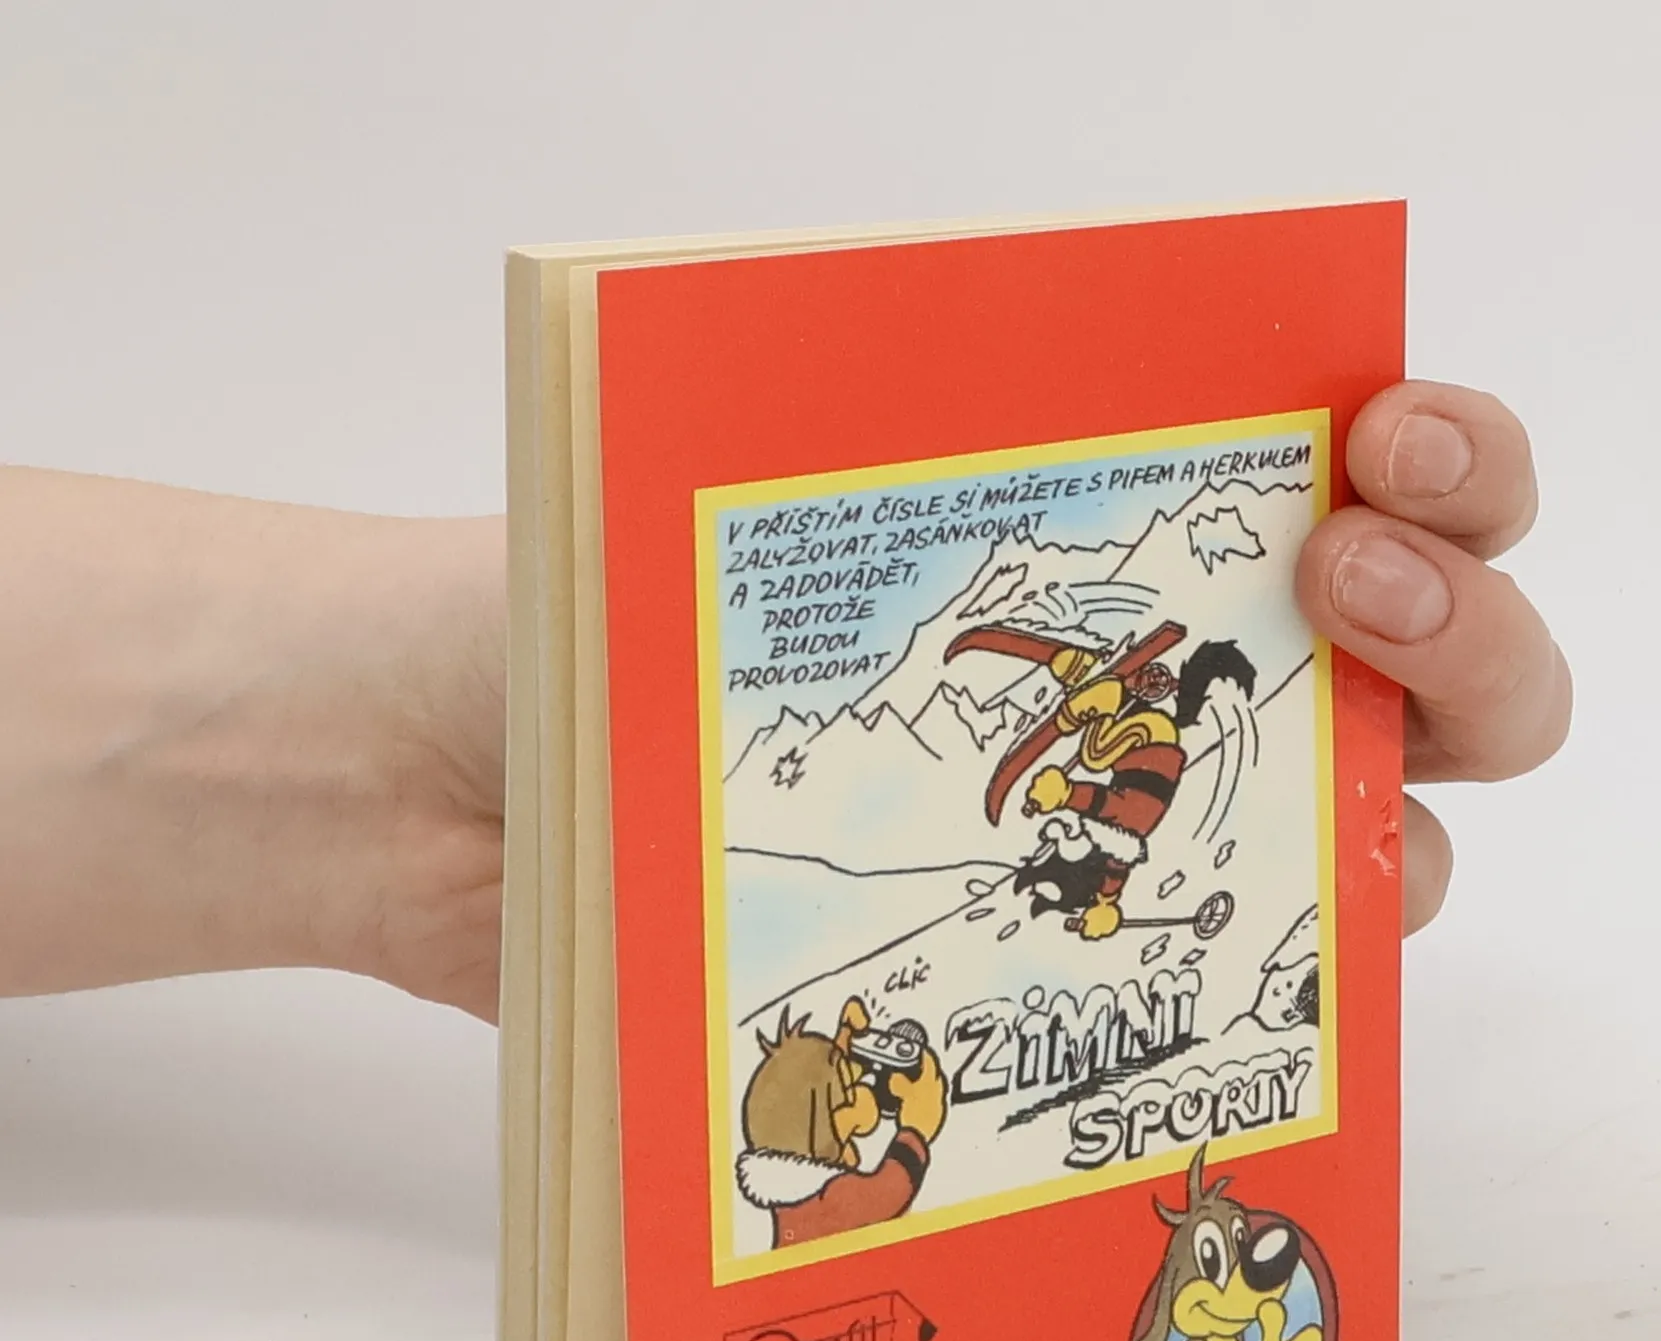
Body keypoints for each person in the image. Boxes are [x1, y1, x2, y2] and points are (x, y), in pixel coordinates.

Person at [0, 382, 1567, 1021]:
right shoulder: (1103, 709)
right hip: (1094, 784)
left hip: (1114, 787)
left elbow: (1072, 715)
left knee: (1096, 820)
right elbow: (1048, 708)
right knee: (1075, 815)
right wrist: (1028, 739)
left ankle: (1086, 881)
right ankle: (1078, 876)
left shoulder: (1138, 712)